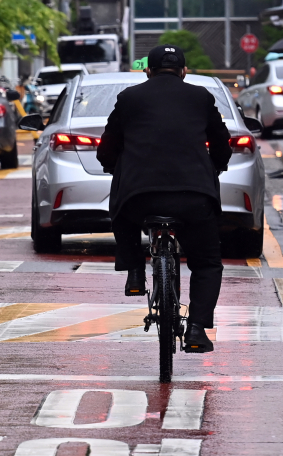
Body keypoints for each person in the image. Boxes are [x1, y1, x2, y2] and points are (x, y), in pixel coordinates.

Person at [96, 45, 232, 353]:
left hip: (139, 198)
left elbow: (108, 145)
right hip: (194, 197)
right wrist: (217, 165)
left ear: (148, 70)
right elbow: (222, 142)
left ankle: (133, 269)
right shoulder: (201, 97)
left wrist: (110, 164)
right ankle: (197, 328)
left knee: (121, 202)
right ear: (184, 71)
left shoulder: (129, 98)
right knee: (207, 263)